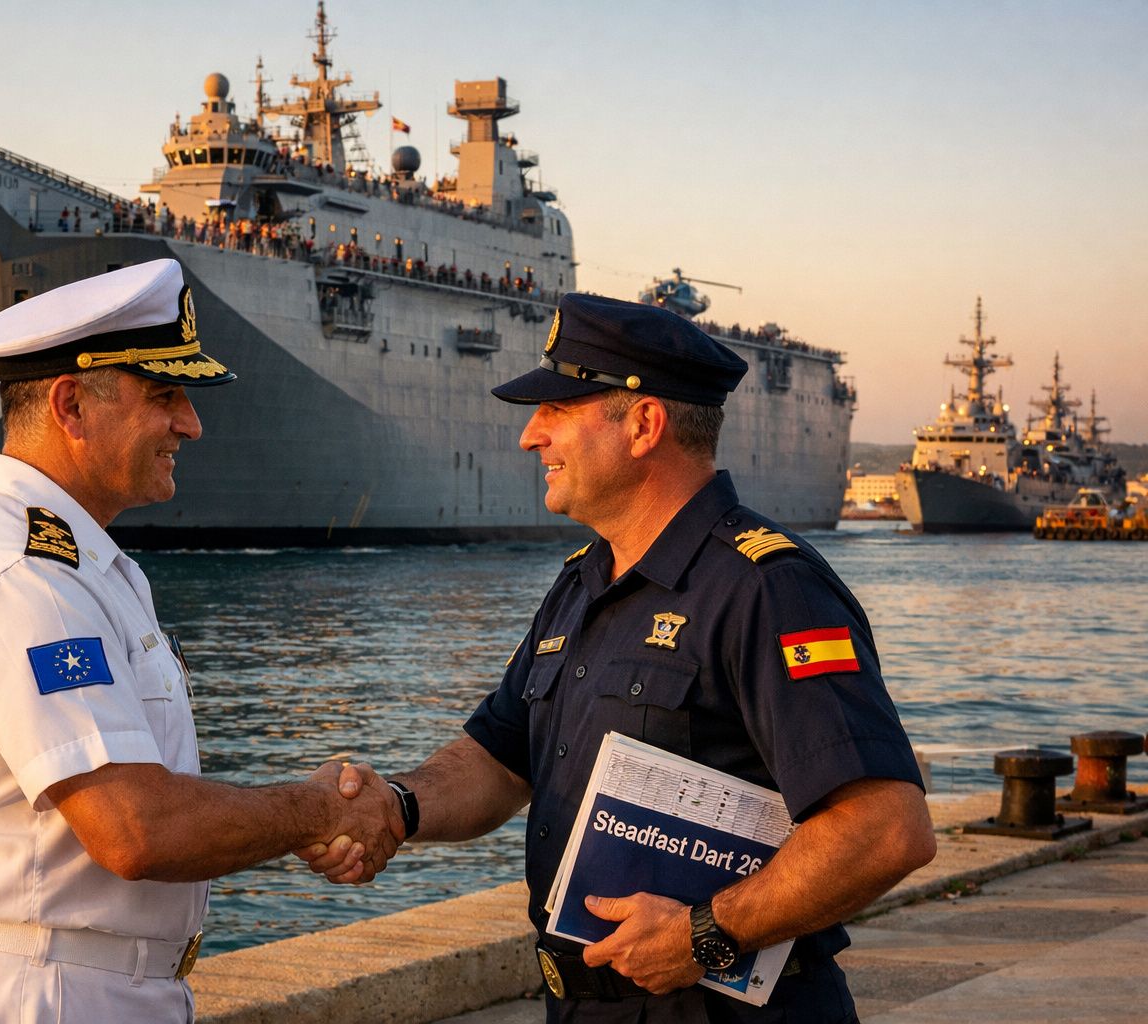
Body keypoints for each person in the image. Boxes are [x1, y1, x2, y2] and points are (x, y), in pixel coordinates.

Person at [304, 293, 936, 1022]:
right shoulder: (581, 584)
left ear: (643, 425)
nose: (529, 437)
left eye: (558, 410)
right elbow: (502, 759)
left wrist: (706, 934)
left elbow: (886, 827)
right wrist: (399, 806)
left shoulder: (767, 588)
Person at [0, 258, 400, 1022]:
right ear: (70, 405)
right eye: (164, 396)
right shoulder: (22, 575)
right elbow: (136, 829)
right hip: (35, 994)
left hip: (83, 986)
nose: (190, 424)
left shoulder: (85, 566)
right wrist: (316, 811)